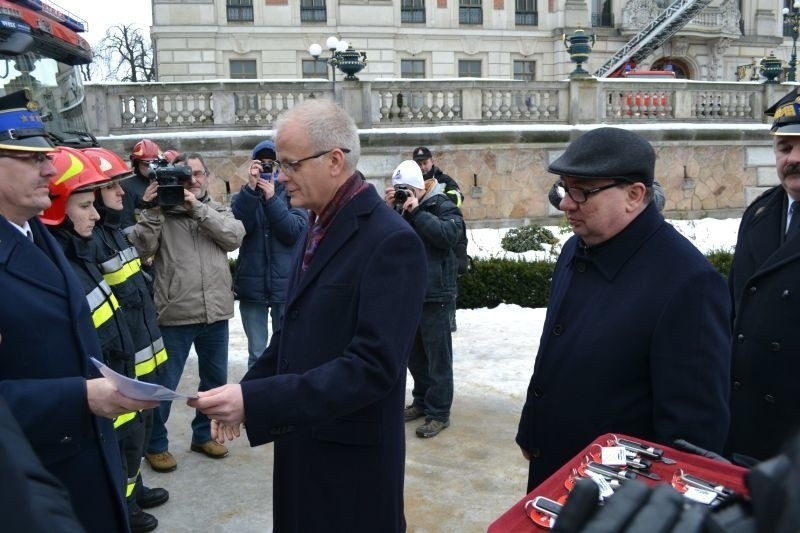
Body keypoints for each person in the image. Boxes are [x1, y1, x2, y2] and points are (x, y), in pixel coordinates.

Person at [188, 99, 427, 532]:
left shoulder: (392, 242)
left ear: (334, 160)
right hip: (302, 445)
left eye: (290, 164)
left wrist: (258, 402)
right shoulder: (315, 225)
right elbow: (291, 337)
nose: (280, 176)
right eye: (279, 165)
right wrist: (243, 395)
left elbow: (372, 368)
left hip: (350, 469)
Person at [516, 127, 731, 491]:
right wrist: (532, 428)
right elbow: (556, 350)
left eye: (582, 191)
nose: (567, 204)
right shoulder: (575, 249)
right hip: (555, 473)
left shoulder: (688, 282)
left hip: (620, 498)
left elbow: (693, 435)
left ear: (634, 195)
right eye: (564, 190)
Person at [0, 90, 158, 532]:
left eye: (46, 156)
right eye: (32, 159)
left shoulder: (35, 231)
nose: (50, 169)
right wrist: (80, 397)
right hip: (31, 483)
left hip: (85, 460)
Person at [41, 146, 159, 533]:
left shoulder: (81, 252)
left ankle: (128, 501)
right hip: (108, 388)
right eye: (84, 204)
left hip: (127, 373)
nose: (94, 212)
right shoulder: (63, 266)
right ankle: (123, 510)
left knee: (131, 447)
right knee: (121, 453)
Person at [130, 151, 244, 472]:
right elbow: (139, 249)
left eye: (197, 174)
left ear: (207, 176)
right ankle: (155, 444)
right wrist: (151, 210)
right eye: (185, 175)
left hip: (216, 314)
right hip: (175, 314)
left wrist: (198, 209)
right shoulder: (160, 215)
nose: (192, 180)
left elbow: (234, 237)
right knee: (165, 386)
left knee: (213, 384)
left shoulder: (216, 209)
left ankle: (203, 435)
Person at [84, 147, 171, 520]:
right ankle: (125, 504)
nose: (122, 193)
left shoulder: (114, 235)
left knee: (142, 428)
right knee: (125, 435)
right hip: (125, 362)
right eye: (110, 189)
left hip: (145, 353)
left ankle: (134, 489)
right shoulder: (90, 243)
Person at [726, 87, 800, 465]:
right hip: (746, 425)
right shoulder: (758, 214)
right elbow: (732, 309)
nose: (794, 158)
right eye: (785, 148)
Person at [386, 160, 463, 438]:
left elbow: (449, 236)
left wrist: (416, 212)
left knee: (438, 358)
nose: (402, 194)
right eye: (398, 190)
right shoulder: (398, 209)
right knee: (415, 357)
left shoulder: (442, 205)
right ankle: (421, 402)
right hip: (410, 294)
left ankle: (439, 413)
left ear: (419, 188)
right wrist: (388, 211)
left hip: (436, 293)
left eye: (405, 190)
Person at [231, 139, 307, 368]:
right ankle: (257, 399)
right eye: (260, 163)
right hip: (252, 287)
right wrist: (252, 191)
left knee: (285, 350)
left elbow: (294, 232)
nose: (266, 168)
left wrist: (272, 199)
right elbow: (238, 227)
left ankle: (283, 398)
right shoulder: (244, 196)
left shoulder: (294, 195)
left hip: (285, 287)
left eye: (270, 163)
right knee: (256, 355)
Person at [412, 146, 468, 330]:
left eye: (425, 162)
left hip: (447, 234)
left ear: (432, 161)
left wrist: (435, 199)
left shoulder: (444, 180)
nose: (422, 167)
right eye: (418, 163)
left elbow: (458, 198)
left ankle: (449, 322)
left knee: (448, 284)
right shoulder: (411, 183)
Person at [122, 139, 163, 237]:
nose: (150, 168)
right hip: (143, 238)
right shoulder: (127, 186)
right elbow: (126, 223)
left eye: (154, 163)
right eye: (146, 164)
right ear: (136, 163)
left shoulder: (164, 180)